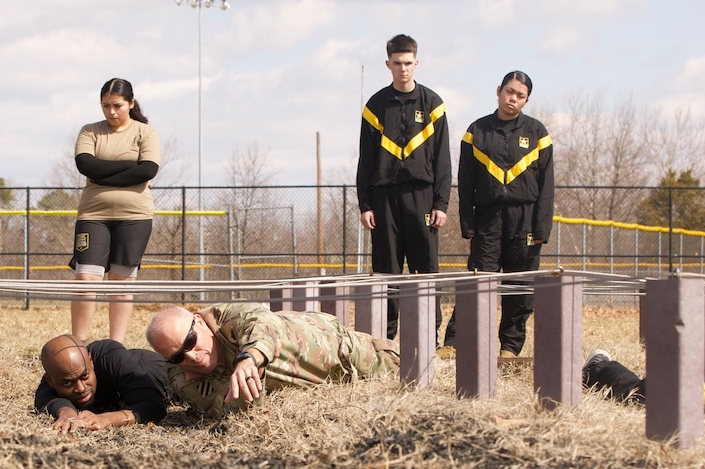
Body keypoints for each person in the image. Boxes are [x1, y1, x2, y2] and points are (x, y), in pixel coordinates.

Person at [442, 70, 554, 358]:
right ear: (498, 91)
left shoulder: (538, 134)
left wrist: (541, 229)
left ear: (526, 100)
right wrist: (468, 223)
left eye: (520, 96)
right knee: (477, 283)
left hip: (525, 220)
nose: (513, 99)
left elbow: (547, 186)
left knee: (520, 288)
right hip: (488, 220)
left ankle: (510, 349)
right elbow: (465, 183)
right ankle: (455, 343)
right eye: (510, 92)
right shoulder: (476, 131)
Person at [356, 34, 451, 341]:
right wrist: (365, 204)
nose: (403, 69)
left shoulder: (433, 105)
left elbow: (443, 160)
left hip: (422, 197)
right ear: (388, 64)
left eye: (408, 63)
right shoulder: (375, 106)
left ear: (416, 63)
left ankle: (428, 335)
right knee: (386, 272)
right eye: (397, 63)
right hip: (384, 199)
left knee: (426, 268)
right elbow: (366, 160)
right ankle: (384, 339)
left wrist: (441, 203)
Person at [145, 303, 398, 417]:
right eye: (178, 356)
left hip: (339, 349)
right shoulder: (180, 378)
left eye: (190, 341)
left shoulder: (228, 316)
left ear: (198, 321)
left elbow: (264, 323)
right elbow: (228, 408)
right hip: (314, 377)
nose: (191, 356)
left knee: (415, 363)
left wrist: (249, 359)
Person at [71, 78, 161, 342]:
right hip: (93, 216)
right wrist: (129, 170)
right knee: (86, 280)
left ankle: (115, 346)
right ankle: (78, 343)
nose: (111, 111)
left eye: (118, 105)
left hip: (135, 218)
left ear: (130, 103)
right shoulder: (90, 132)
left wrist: (103, 175)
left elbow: (148, 170)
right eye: (105, 105)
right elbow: (86, 165)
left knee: (121, 284)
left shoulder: (146, 133)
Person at [34, 334, 175, 432]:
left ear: (91, 361)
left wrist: (106, 419)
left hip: (165, 373)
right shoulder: (58, 371)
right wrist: (65, 412)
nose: (81, 388)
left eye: (84, 376)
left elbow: (153, 406)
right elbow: (43, 396)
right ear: (50, 381)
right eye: (67, 383)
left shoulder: (113, 357)